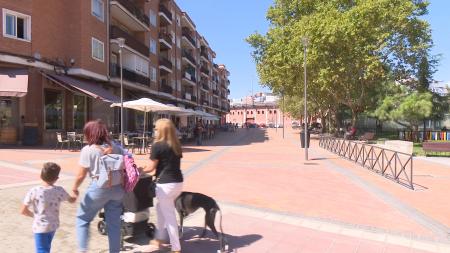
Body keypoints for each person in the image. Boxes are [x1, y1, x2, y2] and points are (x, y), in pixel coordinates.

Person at [71, 119, 125, 253]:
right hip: (118, 188)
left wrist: (74, 188)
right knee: (114, 224)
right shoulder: (115, 146)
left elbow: (81, 175)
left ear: (90, 133)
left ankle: (82, 250)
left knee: (82, 218)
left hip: (99, 188)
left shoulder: (88, 150)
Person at [140, 119, 183, 253]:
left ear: (161, 130)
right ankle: (159, 238)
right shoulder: (176, 144)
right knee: (160, 208)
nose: (155, 130)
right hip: (178, 183)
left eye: (156, 128)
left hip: (165, 185)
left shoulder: (157, 145)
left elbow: (152, 167)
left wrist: (139, 170)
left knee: (169, 216)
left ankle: (176, 248)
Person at [20, 162, 77, 253]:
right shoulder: (59, 190)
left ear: (41, 175)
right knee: (46, 248)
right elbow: (71, 200)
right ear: (56, 178)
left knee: (42, 250)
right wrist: (75, 193)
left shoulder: (33, 191)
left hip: (40, 228)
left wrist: (35, 216)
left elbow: (23, 211)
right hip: (53, 226)